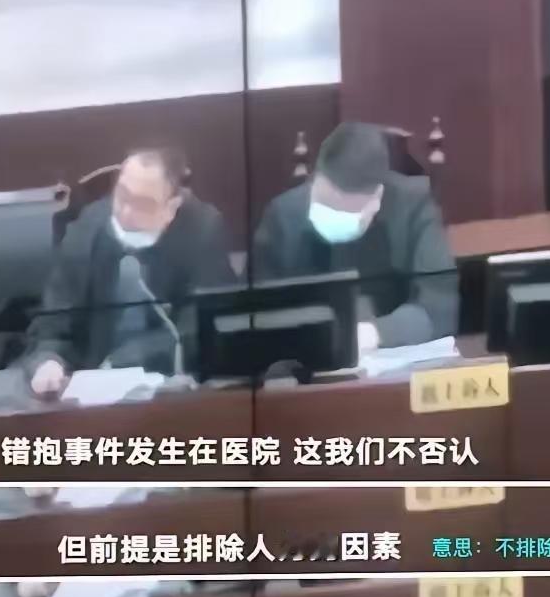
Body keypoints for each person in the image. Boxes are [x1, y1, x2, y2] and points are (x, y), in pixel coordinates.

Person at [25, 147, 237, 397]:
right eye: (122, 196)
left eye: (143, 205)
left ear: (171, 207)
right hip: (92, 386)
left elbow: (202, 330)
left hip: (172, 386)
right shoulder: (88, 227)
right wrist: (49, 361)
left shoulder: (202, 231)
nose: (126, 213)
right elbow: (54, 320)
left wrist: (129, 358)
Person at [252, 122, 459, 351]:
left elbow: (440, 306)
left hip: (390, 358)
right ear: (316, 179)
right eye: (325, 204)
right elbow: (256, 313)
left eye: (348, 211)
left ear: (377, 198)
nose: (334, 216)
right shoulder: (282, 216)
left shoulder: (413, 206)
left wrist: (374, 334)